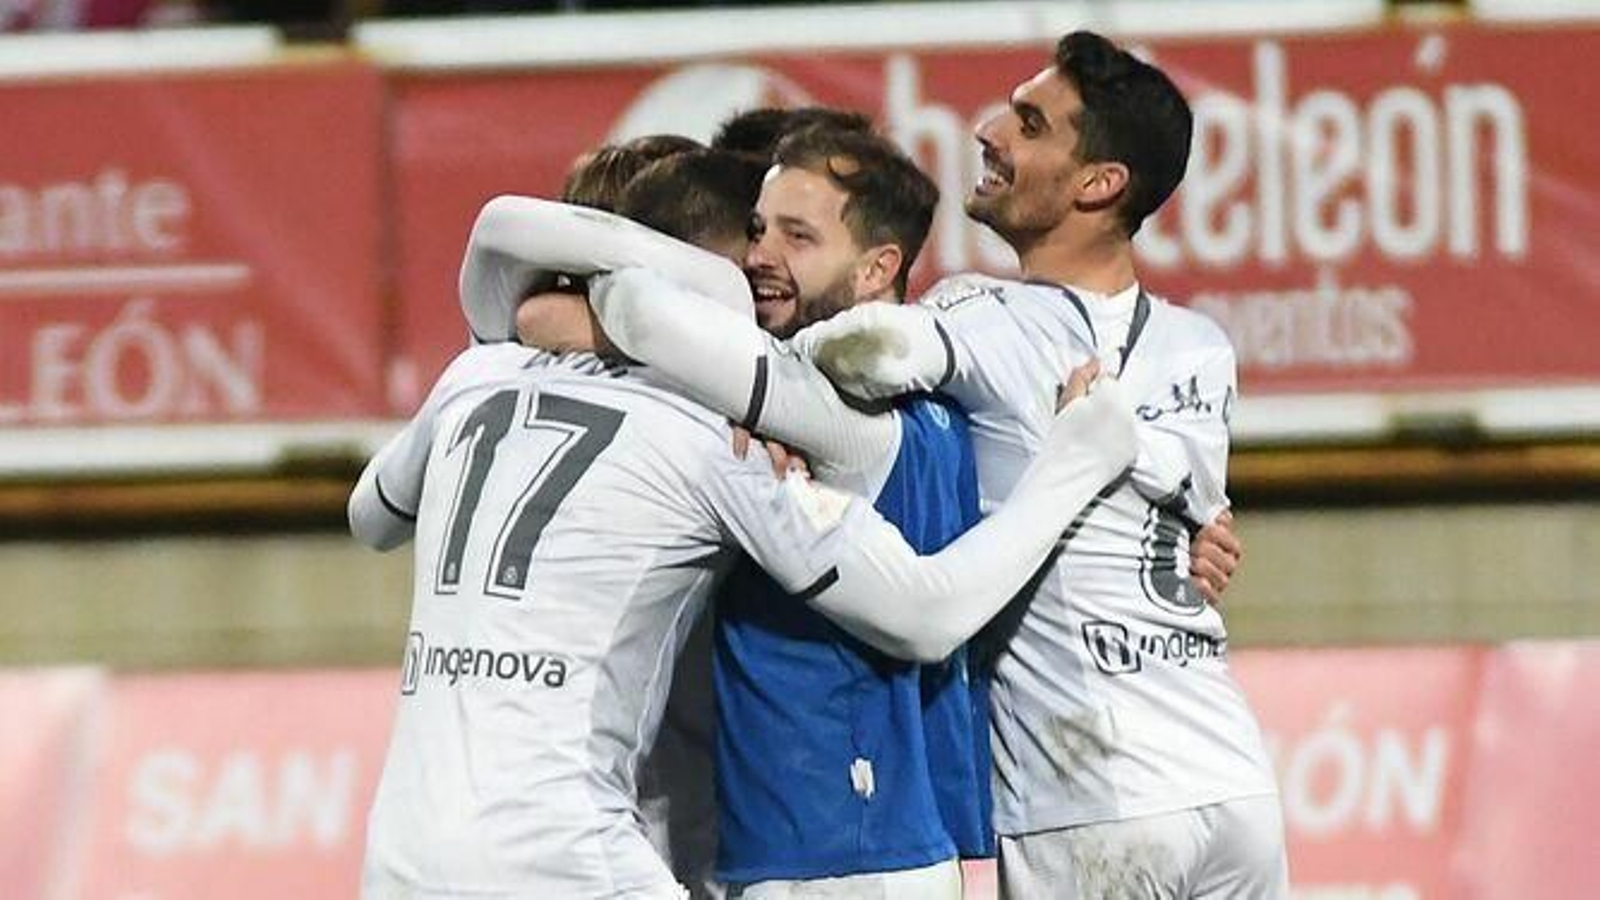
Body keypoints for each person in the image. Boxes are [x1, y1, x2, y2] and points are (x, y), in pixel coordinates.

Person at [350, 143, 1138, 899]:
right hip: (572, 859)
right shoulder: (719, 437)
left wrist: (533, 323)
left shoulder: (471, 376)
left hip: (398, 857)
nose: (768, 279)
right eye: (757, 249)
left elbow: (371, 516)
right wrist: (1083, 458)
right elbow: (928, 613)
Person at [794, 31, 1285, 898]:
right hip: (1233, 783)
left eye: (1029, 123)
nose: (989, 130)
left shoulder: (982, 321)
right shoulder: (1204, 348)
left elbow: (860, 349)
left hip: (1090, 797)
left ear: (1099, 184)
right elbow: (1200, 531)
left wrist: (772, 382)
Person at [468, 125, 990, 899]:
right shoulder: (932, 394)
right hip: (831, 841)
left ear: (878, 267)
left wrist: (556, 321)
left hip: (839, 849)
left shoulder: (820, 410)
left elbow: (604, 304)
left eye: (796, 235)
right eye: (755, 231)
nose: (756, 260)